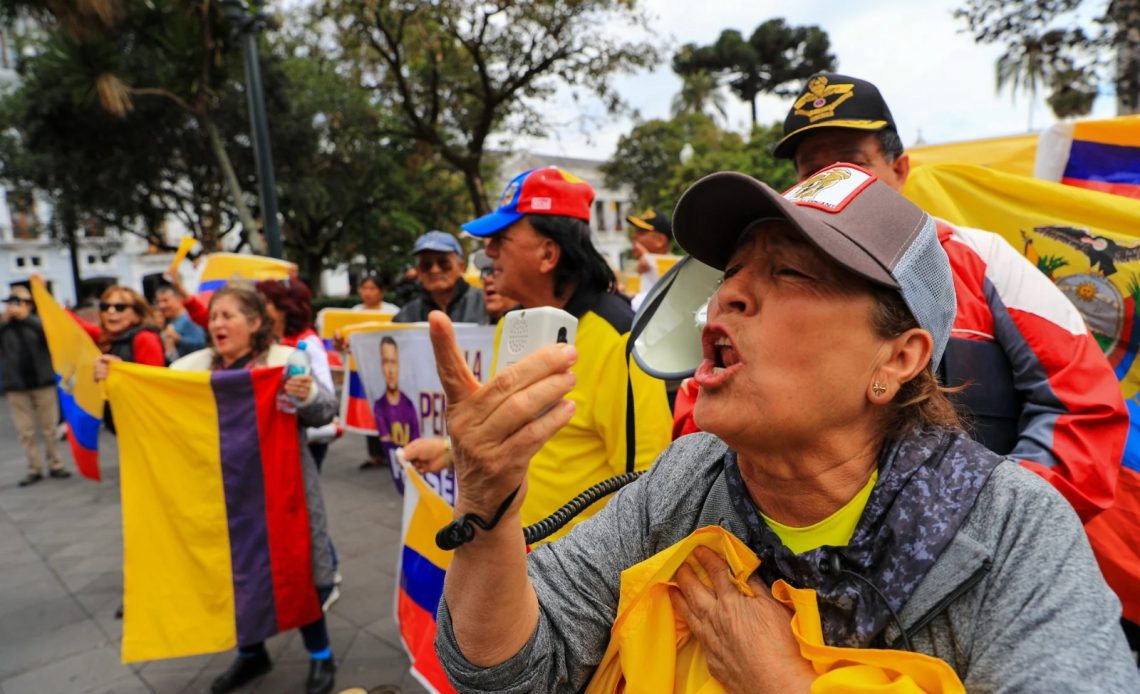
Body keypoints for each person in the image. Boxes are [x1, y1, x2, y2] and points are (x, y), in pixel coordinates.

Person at [429, 167, 1140, 691]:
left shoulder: (1013, 530)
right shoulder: (686, 481)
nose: (727, 296)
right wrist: (489, 507)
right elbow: (511, 671)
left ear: (898, 357)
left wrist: (783, 686)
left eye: (791, 271)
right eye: (731, 272)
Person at [456, 165, 672, 540]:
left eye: (500, 238)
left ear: (547, 254)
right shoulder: (511, 323)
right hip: (510, 556)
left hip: (579, 583)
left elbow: (647, 482)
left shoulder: (619, 338)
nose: (488, 252)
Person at [171, 283, 338, 694]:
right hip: (223, 499)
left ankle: (322, 656)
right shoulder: (191, 372)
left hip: (284, 495)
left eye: (227, 315)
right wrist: (112, 378)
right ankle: (251, 655)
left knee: (297, 571)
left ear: (255, 322)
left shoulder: (286, 362)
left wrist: (308, 394)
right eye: (213, 317)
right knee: (235, 573)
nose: (217, 324)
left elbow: (324, 414)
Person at [256, 280, 338, 471]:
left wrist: (305, 393)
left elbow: (326, 394)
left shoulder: (307, 343)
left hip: (309, 438)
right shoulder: (267, 343)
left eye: (266, 303)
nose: (258, 309)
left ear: (283, 308)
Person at [1, 285, 69, 486]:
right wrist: (6, 321)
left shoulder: (38, 323)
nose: (15, 307)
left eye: (19, 303)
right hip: (16, 385)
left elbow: (50, 336)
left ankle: (55, 463)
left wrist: (26, 318)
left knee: (49, 427)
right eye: (11, 303)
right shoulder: (5, 326)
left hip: (42, 381)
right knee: (25, 431)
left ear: (28, 305)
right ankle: (34, 467)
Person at [393, 231, 486, 324]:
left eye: (444, 263)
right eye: (426, 265)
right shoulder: (406, 317)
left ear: (461, 267)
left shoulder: (486, 305)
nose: (435, 270)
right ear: (418, 271)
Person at [371, 336, 420, 492]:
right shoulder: (379, 407)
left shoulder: (409, 405)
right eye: (386, 362)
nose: (390, 370)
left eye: (393, 362)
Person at [625, 207, 673, 312]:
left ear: (660, 240)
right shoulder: (632, 269)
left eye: (641, 232)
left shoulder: (680, 270)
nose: (634, 236)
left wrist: (652, 265)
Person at [155, 284, 207, 362]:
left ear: (178, 299)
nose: (161, 305)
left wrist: (178, 339)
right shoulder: (168, 322)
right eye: (158, 302)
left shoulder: (189, 319)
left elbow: (201, 345)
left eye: (165, 300)